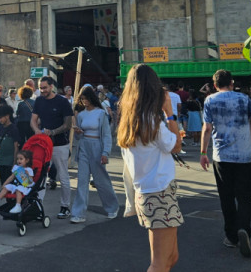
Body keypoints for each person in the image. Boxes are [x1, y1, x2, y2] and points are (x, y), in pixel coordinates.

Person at [118, 64, 183, 272]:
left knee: (171, 257)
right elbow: (176, 146)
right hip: (158, 192)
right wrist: (170, 113)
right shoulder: (152, 121)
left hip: (149, 192)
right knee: (160, 263)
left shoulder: (130, 120)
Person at [200, 69, 251, 258]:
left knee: (226, 197)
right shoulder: (244, 99)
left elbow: (207, 129)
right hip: (244, 155)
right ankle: (244, 228)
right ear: (232, 82)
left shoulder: (210, 101)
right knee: (245, 196)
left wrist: (203, 152)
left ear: (214, 85)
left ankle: (231, 236)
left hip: (222, 157)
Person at [70, 89, 119, 223]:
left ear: (92, 98)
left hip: (97, 146)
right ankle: (78, 213)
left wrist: (105, 152)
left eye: (86, 98)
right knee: (82, 181)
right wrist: (78, 131)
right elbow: (79, 136)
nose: (84, 101)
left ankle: (112, 208)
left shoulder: (101, 113)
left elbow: (107, 135)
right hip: (84, 146)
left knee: (101, 180)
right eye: (82, 99)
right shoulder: (81, 115)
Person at [31, 76, 75, 219]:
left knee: (63, 176)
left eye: (44, 87)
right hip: (43, 144)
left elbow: (68, 124)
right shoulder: (39, 100)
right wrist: (37, 130)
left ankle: (65, 206)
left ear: (51, 87)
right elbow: (33, 120)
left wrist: (53, 132)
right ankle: (38, 207)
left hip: (60, 144)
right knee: (40, 175)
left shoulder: (63, 101)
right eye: (40, 87)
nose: (42, 90)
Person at [0, 150, 35, 214]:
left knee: (18, 189)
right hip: (16, 184)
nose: (19, 161)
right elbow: (12, 177)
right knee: (7, 187)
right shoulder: (16, 168)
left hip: (24, 186)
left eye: (21, 159)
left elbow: (31, 181)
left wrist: (27, 175)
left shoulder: (28, 169)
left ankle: (18, 205)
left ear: (27, 160)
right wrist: (5, 183)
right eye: (18, 159)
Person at [0, 105, 23, 184]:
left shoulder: (14, 129)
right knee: (3, 184)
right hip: (2, 162)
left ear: (7, 116)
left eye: (1, 117)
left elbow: (16, 147)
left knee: (11, 186)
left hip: (10, 162)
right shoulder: (0, 128)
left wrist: (15, 163)